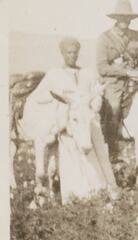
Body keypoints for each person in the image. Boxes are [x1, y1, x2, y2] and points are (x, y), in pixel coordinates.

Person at [27, 37, 119, 202]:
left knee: (100, 154)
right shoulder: (55, 75)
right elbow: (39, 97)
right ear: (62, 54)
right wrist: (61, 104)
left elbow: (98, 95)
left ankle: (109, 189)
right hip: (70, 125)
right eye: (69, 53)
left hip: (90, 122)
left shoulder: (88, 73)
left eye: (75, 52)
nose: (72, 56)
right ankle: (76, 197)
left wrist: (93, 105)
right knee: (71, 159)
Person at [96, 0, 138, 162]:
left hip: (137, 81)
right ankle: (113, 150)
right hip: (114, 83)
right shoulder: (105, 38)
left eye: (128, 18)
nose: (125, 21)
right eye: (122, 17)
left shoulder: (136, 37)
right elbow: (102, 68)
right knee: (113, 107)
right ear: (116, 18)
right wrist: (126, 72)